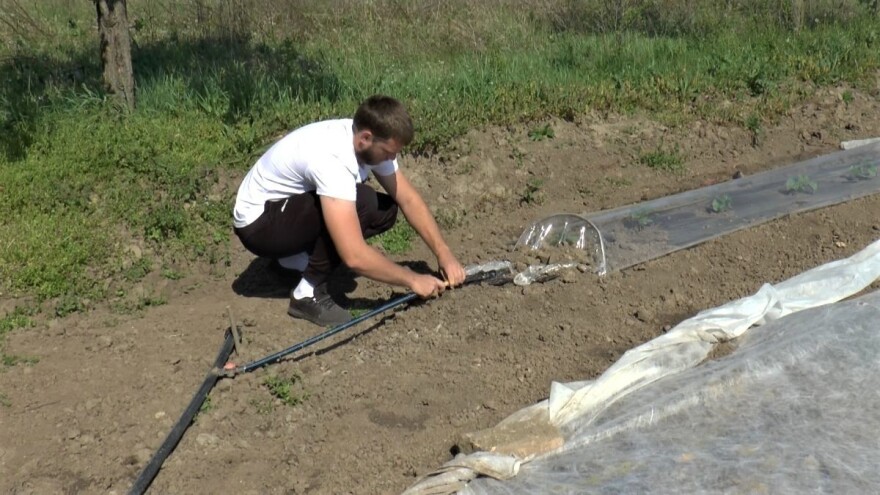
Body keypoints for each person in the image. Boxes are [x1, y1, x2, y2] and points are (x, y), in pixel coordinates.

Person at [232, 95, 466, 326]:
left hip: (283, 212)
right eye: (388, 152)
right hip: (259, 225)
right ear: (366, 138)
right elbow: (353, 256)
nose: (392, 158)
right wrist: (412, 280)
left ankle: (290, 262)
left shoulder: (366, 140)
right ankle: (307, 293)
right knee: (362, 202)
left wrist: (442, 251)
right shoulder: (333, 160)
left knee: (384, 210)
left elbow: (408, 199)